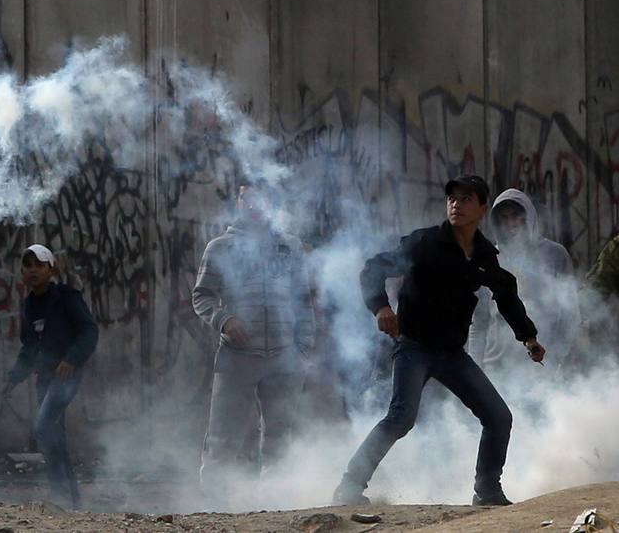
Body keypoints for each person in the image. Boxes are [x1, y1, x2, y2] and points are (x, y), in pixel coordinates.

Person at [332, 175, 546, 507]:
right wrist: (381, 307)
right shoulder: (424, 243)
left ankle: (487, 490)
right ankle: (349, 487)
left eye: (465, 199)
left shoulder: (483, 255)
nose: (456, 205)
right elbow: (373, 268)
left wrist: (528, 337)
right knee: (402, 416)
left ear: (481, 208)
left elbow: (506, 293)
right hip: (414, 346)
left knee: (498, 417)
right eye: (452, 199)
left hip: (451, 353)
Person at [191, 185, 315, 498]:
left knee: (280, 434)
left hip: (284, 356)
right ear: (239, 201)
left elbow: (303, 299)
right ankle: (213, 507)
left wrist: (302, 349)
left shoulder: (289, 247)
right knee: (222, 435)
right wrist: (224, 320)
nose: (255, 205)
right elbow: (201, 295)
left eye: (263, 198)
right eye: (247, 197)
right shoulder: (220, 247)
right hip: (236, 356)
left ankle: (274, 504)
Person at [3, 245, 99, 509]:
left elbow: (89, 331)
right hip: (44, 377)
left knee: (44, 427)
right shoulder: (28, 305)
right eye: (27, 265)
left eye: (38, 265)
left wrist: (71, 358)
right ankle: (69, 499)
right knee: (55, 436)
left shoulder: (67, 298)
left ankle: (62, 495)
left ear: (51, 269)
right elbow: (29, 347)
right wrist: (14, 377)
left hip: (66, 376)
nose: (32, 270)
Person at [468, 188, 578, 376]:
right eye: (504, 218)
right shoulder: (489, 259)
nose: (511, 223)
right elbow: (480, 320)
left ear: (528, 218)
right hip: (497, 366)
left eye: (516, 216)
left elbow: (569, 314)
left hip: (541, 362)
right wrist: (474, 368)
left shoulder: (555, 254)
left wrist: (559, 356)